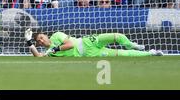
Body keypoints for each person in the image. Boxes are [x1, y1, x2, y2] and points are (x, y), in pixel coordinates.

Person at [24, 29, 164, 57]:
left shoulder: (56, 36)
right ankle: (150, 53)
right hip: (91, 53)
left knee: (117, 36)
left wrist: (55, 49)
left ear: (46, 36)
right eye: (39, 41)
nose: (41, 40)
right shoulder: (49, 52)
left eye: (41, 37)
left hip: (88, 41)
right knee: (122, 54)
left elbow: (70, 44)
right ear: (40, 44)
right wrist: (29, 42)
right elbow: (38, 57)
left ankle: (132, 44)